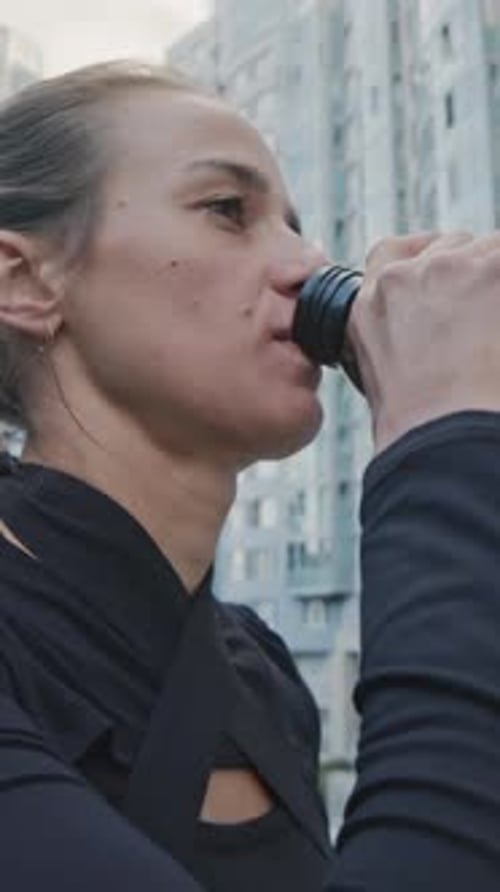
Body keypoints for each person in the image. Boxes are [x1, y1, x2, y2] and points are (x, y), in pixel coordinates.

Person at [0, 57, 499, 892]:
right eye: (227, 209)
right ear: (23, 281)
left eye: (298, 227)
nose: (308, 263)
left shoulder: (259, 674)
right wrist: (448, 448)